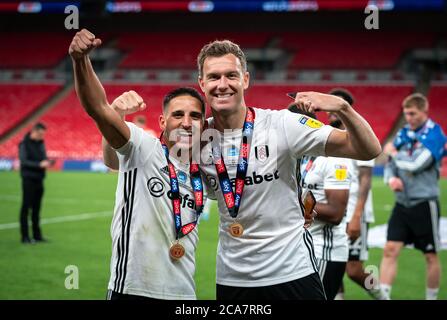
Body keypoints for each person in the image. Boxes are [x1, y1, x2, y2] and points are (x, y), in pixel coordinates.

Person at [196, 40, 382, 300]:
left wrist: (343, 107)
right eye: (214, 77)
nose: (223, 84)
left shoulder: (283, 124)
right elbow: (127, 161)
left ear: (245, 79)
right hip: (233, 277)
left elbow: (368, 150)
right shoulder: (195, 138)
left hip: (293, 271)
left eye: (231, 75)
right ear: (202, 83)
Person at [69, 29, 208, 300]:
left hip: (184, 294)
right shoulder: (144, 149)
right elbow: (98, 108)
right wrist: (80, 61)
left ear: (204, 125)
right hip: (133, 291)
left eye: (195, 116)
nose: (187, 122)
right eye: (178, 115)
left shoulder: (204, 170)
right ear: (163, 123)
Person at [379, 93, 446, 300]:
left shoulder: (435, 135)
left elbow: (416, 165)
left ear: (424, 111)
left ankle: (431, 298)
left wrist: (392, 153)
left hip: (424, 203)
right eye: (406, 113)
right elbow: (389, 166)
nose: (408, 118)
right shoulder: (404, 132)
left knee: (430, 255)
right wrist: (391, 180)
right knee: (390, 249)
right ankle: (384, 297)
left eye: (413, 113)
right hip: (402, 203)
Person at [326, 89, 387, 300]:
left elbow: (365, 179)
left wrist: (357, 216)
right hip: (334, 211)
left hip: (354, 213)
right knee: (331, 264)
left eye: (336, 107)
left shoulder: (358, 135)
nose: (331, 112)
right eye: (329, 107)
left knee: (353, 269)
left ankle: (381, 294)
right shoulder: (328, 135)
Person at [289, 105, 352, 300]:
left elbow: (335, 213)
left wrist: (292, 202)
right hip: (299, 248)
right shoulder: (294, 156)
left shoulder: (333, 159)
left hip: (324, 250)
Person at [18, 122, 54, 244]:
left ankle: (37, 236)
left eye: (43, 135)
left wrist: (48, 162)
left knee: (37, 209)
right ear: (34, 131)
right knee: (26, 208)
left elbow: (42, 158)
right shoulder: (24, 144)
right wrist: (39, 164)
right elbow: (24, 161)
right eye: (40, 134)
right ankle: (25, 237)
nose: (41, 137)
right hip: (28, 179)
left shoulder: (41, 143)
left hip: (39, 179)